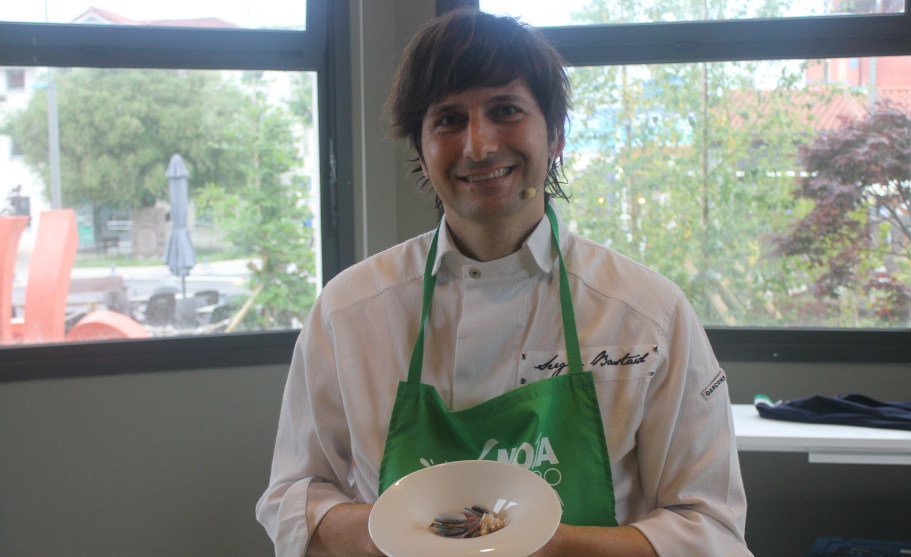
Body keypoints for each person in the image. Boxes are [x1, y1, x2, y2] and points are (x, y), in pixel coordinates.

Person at [257, 7, 751, 557]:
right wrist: (408, 537)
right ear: (419, 150)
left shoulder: (647, 313)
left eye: (506, 109)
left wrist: (551, 547)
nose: (479, 146)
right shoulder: (348, 311)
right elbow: (292, 499)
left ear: (556, 134)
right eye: (448, 119)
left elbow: (711, 529)